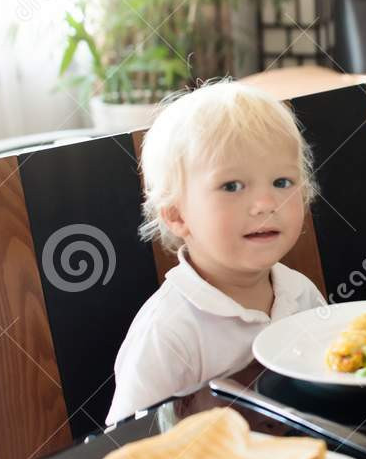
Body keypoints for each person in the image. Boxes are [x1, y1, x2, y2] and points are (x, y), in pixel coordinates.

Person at [106, 81, 325, 423]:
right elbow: (129, 448)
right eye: (232, 186)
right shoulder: (169, 331)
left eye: (282, 182)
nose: (265, 204)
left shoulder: (300, 293)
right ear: (178, 214)